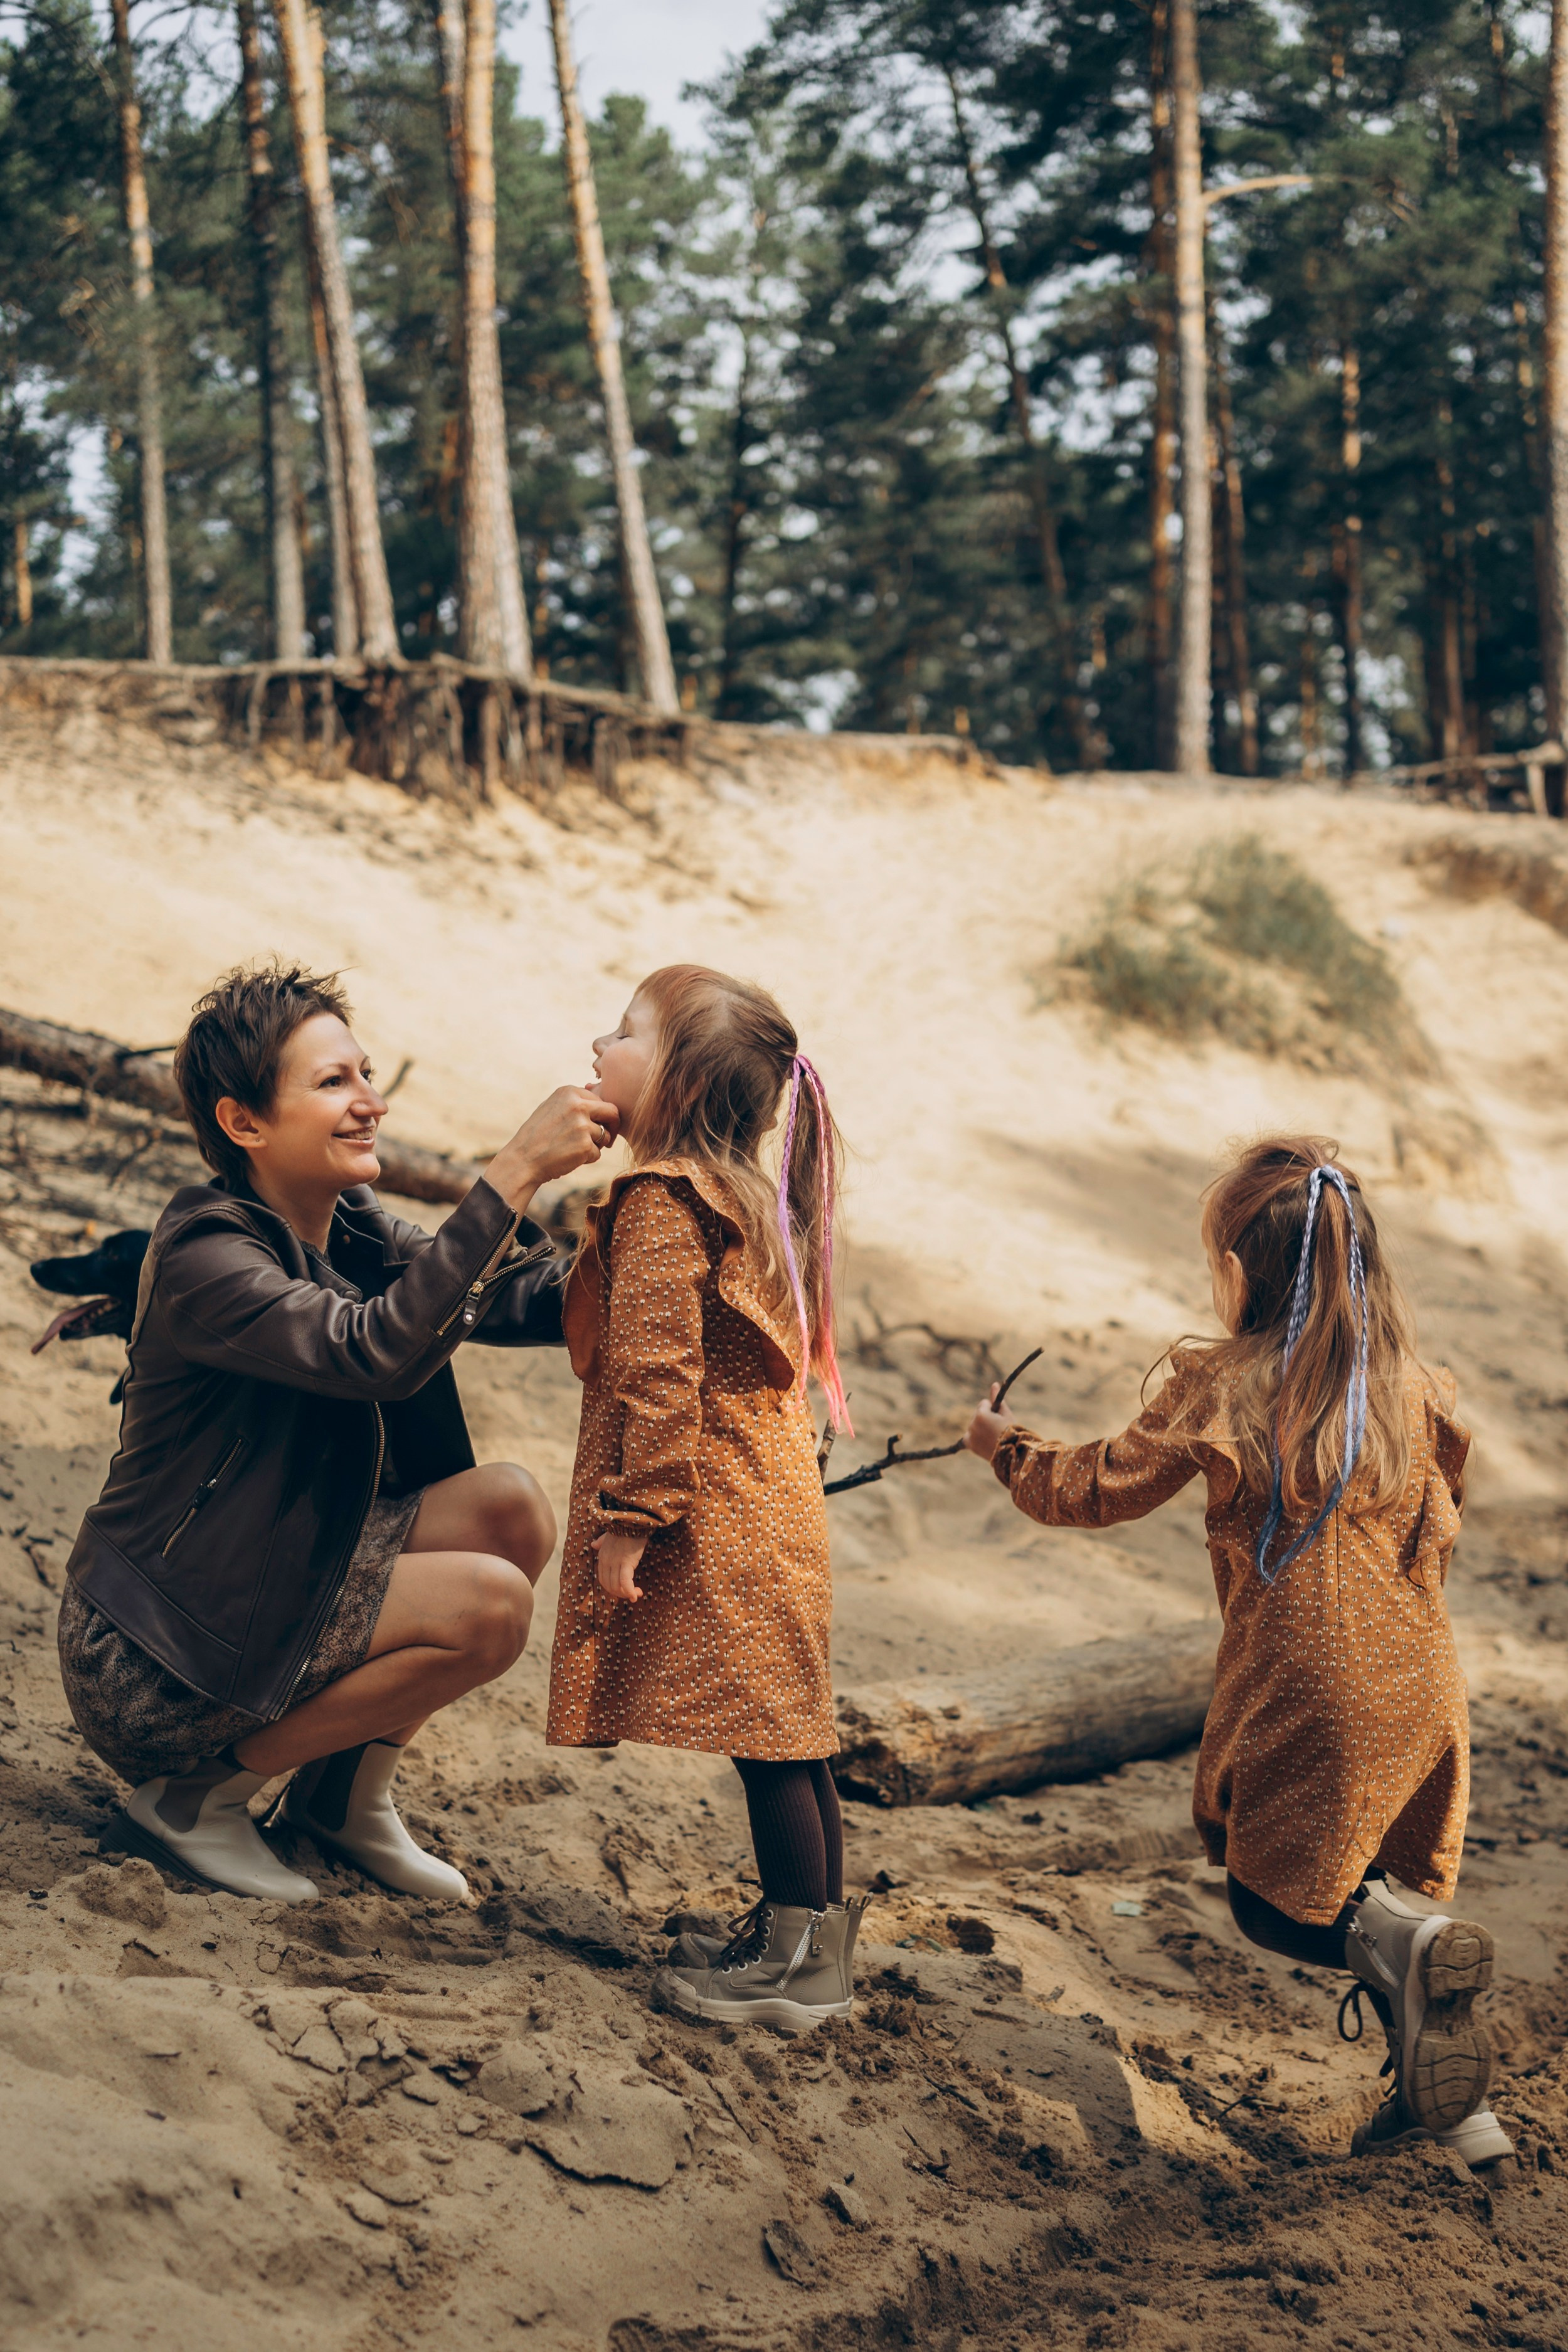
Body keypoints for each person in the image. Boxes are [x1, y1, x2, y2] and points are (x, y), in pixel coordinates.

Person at [965, 1136, 1512, 2169]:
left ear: (1235, 1274)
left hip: (1312, 1680)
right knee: (1380, 1887)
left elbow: (1089, 1488)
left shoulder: (1221, 1388)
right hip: (1428, 1683)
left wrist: (1006, 1446)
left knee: (1279, 1899)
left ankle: (1415, 1953)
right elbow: (1449, 1509)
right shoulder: (1419, 1388)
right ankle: (1451, 2113)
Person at [59, 961, 615, 1904]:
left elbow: (504, 1297)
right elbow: (375, 1352)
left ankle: (338, 1802)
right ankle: (197, 1799)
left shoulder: (342, 1221)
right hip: (152, 1650)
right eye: (333, 1083)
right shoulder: (207, 1256)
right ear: (245, 1123)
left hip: (257, 1580)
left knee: (510, 1511)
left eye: (364, 1074)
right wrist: (513, 1167)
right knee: (488, 1607)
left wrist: (635, 1226)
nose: (371, 1103)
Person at [546, 964, 868, 2032]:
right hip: (774, 1508)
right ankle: (811, 1936)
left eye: (626, 1031)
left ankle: (796, 1969)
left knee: (770, 1743)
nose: (600, 1045)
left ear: (677, 1078)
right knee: (793, 1732)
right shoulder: (753, 1197)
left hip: (719, 1512)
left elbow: (656, 1372)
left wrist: (629, 1522)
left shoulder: (662, 1202)